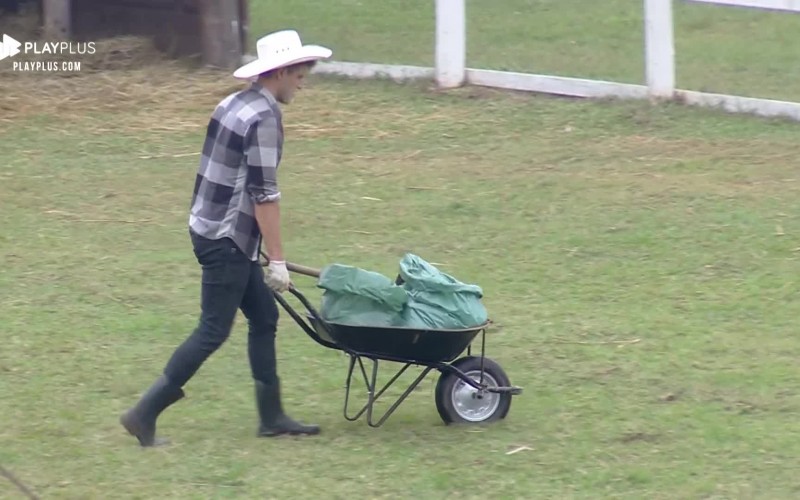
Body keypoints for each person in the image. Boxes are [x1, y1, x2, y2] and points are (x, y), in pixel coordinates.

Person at [120, 30, 333, 446]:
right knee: (213, 330)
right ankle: (143, 413)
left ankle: (272, 417)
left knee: (265, 317)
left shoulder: (233, 102)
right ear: (283, 71)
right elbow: (264, 195)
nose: (303, 83)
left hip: (209, 227)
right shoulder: (266, 117)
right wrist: (277, 259)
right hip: (227, 238)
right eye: (301, 75)